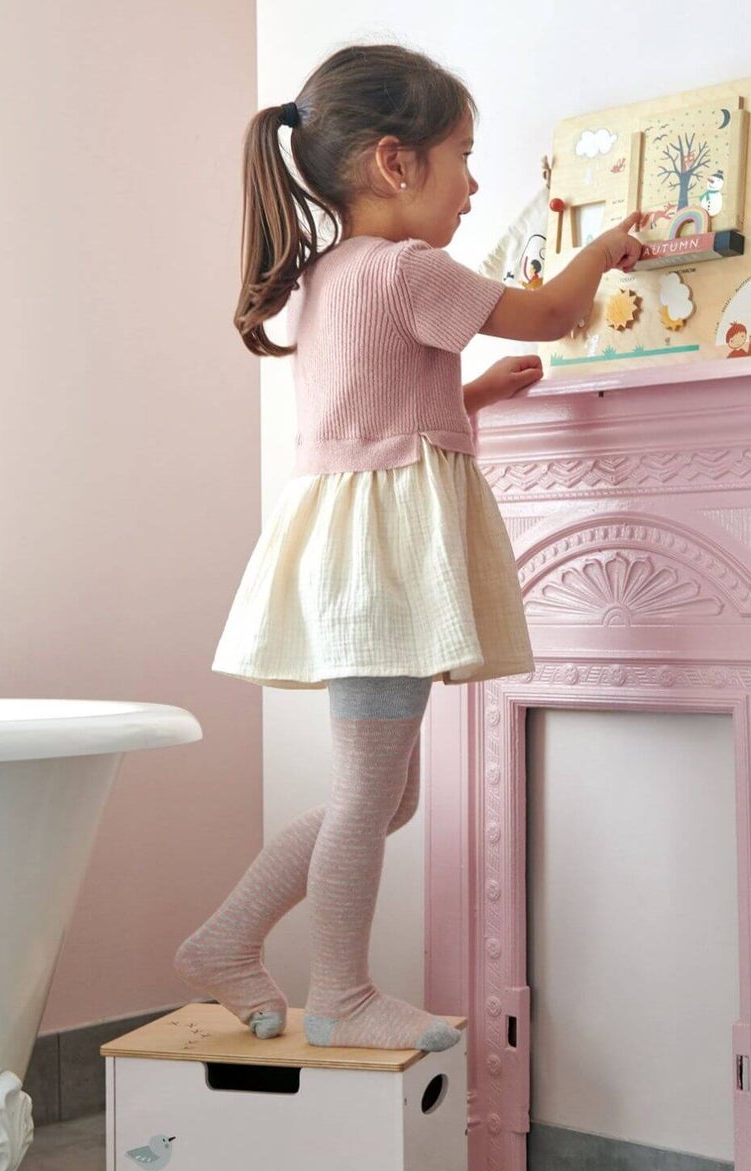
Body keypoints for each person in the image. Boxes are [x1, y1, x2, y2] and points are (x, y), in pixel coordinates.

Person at [175, 41, 644, 1051]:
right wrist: (603, 249)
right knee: (366, 793)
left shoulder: (330, 275)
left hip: (350, 551)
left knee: (382, 794)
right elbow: (554, 315)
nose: (474, 183)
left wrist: (470, 394)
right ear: (396, 162)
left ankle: (225, 938)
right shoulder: (409, 268)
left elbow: (369, 412)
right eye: (464, 156)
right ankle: (339, 990)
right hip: (381, 563)